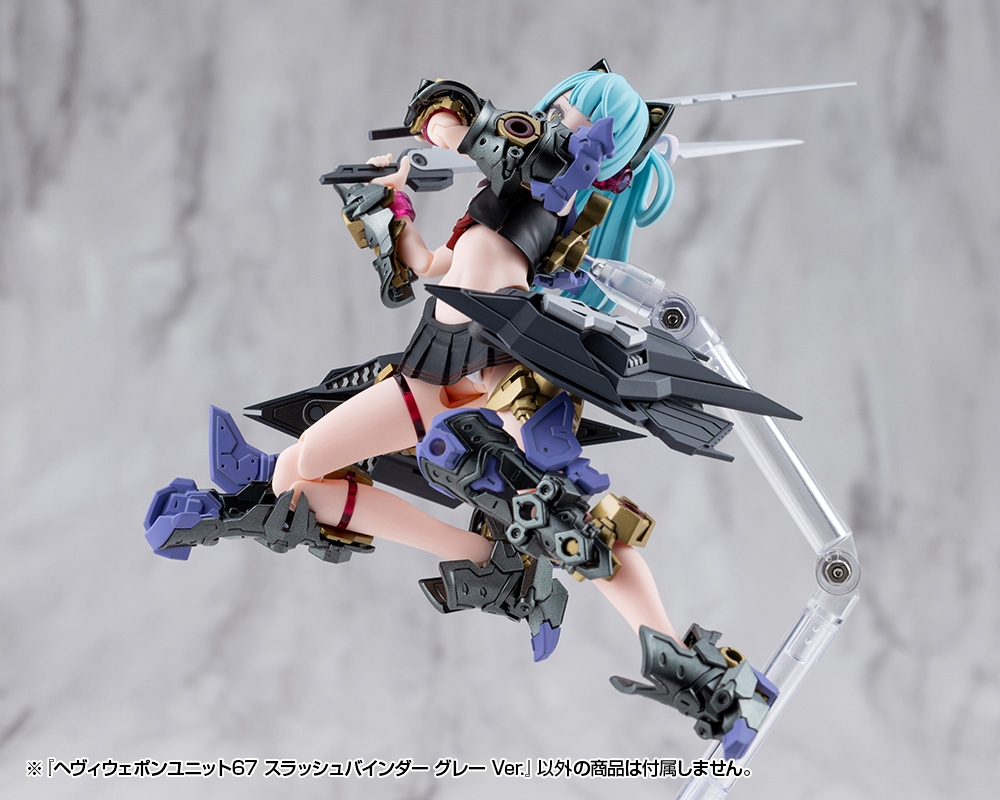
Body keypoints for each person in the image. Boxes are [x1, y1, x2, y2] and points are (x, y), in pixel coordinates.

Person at [144, 65, 776, 757]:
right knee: (298, 472)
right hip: (434, 362)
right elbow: (430, 269)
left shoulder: (548, 169)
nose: (559, 110)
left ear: (598, 134)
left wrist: (431, 133)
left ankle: (689, 668)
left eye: (576, 107)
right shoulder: (517, 187)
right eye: (566, 101)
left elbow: (453, 116)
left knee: (579, 524)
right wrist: (389, 207)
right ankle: (487, 563)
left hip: (505, 367)